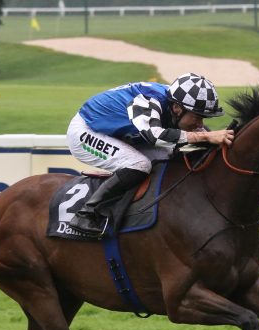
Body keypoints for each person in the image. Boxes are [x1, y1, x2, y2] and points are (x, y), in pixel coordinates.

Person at [67, 72, 234, 236]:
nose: (200, 124)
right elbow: (155, 137)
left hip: (117, 131)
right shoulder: (148, 101)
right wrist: (206, 136)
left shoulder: (176, 101)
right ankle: (86, 213)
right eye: (197, 117)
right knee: (140, 164)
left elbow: (191, 135)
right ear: (177, 108)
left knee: (166, 157)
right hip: (86, 131)